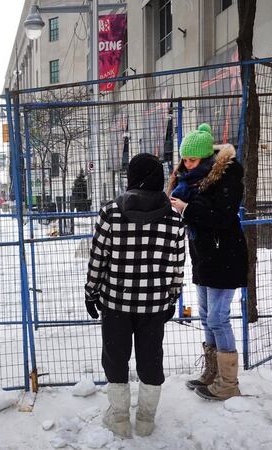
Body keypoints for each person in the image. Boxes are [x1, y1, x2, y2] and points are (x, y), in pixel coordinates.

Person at [85, 153, 186, 438]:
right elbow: (176, 266)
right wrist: (172, 298)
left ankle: (118, 419)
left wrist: (92, 292)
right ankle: (145, 420)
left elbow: (98, 258)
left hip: (116, 302)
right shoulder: (174, 221)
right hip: (153, 305)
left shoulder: (111, 213)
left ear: (130, 178)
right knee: (151, 359)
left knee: (115, 358)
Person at [168, 123, 248, 401]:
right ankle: (212, 374)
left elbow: (223, 218)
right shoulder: (189, 182)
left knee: (218, 317)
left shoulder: (226, 178)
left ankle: (228, 382)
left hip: (225, 256)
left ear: (205, 158)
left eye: (191, 159)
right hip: (204, 257)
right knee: (206, 316)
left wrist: (187, 209)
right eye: (184, 159)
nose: (186, 164)